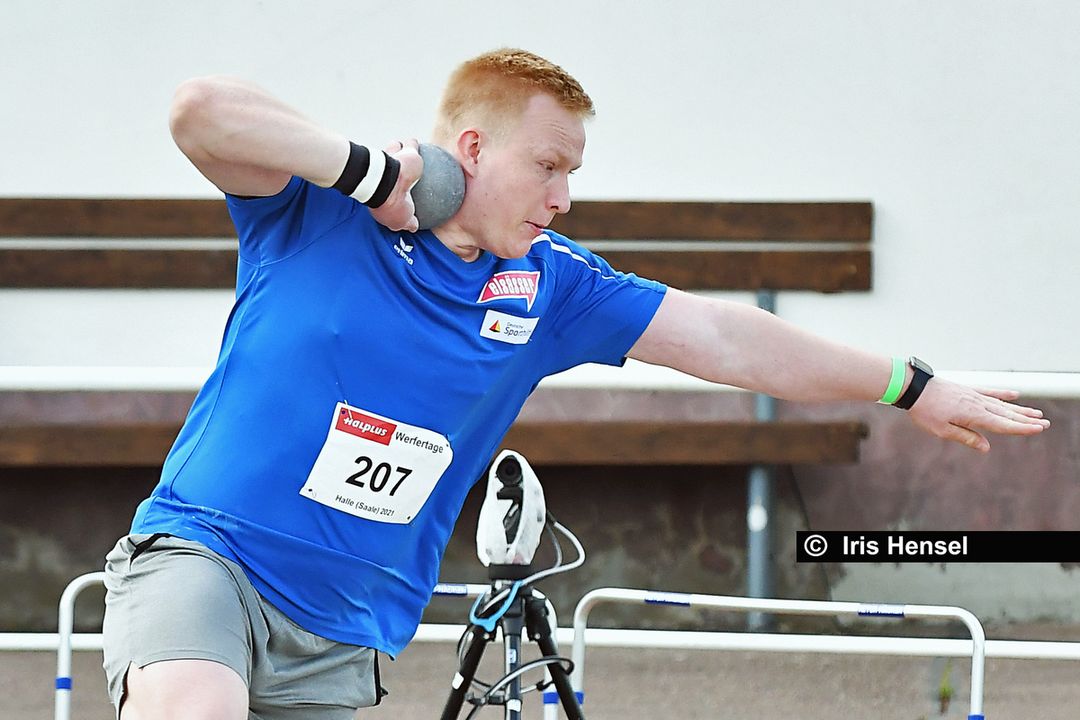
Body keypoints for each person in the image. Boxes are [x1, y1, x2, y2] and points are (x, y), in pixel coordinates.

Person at [101, 48, 1049, 719]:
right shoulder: (318, 216)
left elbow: (726, 337)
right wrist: (369, 173)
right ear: (469, 150)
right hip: (207, 554)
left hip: (345, 619)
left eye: (573, 173)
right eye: (548, 165)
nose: (564, 197)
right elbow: (199, 111)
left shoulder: (553, 285)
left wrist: (907, 385)